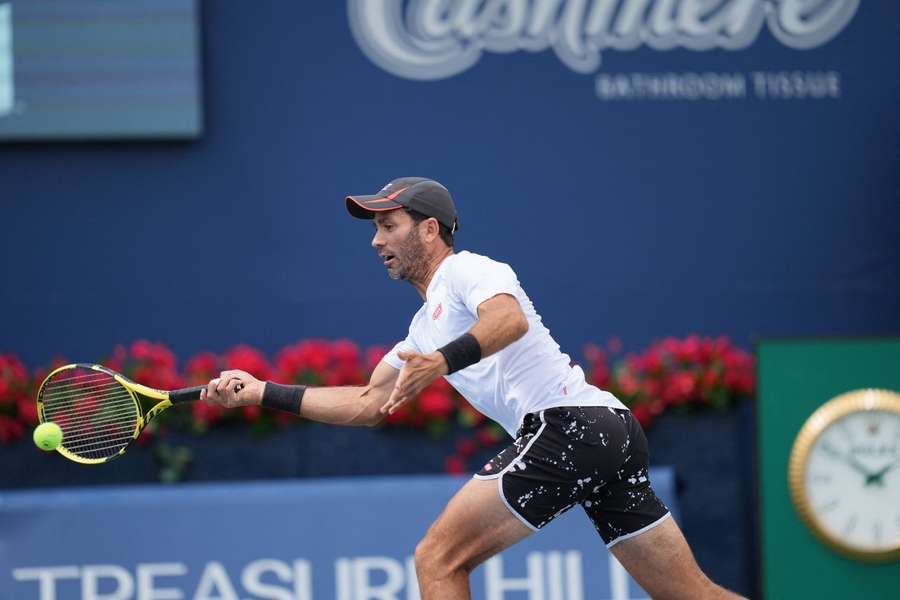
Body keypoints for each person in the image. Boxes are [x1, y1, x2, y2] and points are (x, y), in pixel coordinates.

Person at [201, 177, 745, 600]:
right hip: (609, 431)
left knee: (437, 559)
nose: (376, 240)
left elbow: (508, 320)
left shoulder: (468, 271)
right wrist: (260, 392)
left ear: (429, 229)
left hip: (570, 425)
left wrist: (440, 362)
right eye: (375, 229)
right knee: (689, 594)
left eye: (389, 225)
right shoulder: (422, 328)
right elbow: (368, 403)